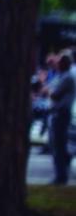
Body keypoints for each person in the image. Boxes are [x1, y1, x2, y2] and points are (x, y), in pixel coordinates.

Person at [45, 51, 75, 185]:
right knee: (55, 146)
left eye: (59, 62)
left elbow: (53, 94)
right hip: (55, 113)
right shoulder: (60, 76)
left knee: (59, 146)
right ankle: (60, 173)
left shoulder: (67, 78)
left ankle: (61, 176)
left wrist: (48, 91)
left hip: (61, 114)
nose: (57, 64)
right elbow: (47, 88)